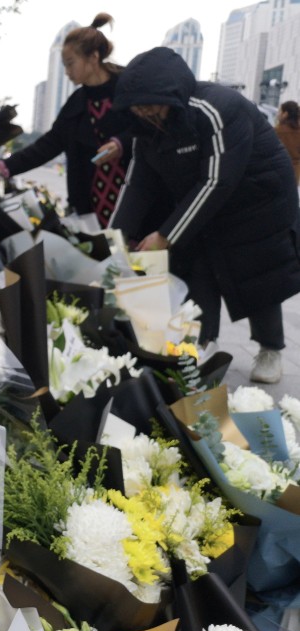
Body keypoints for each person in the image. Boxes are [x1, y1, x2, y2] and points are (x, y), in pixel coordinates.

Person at [109, 47, 300, 384]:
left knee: (258, 275)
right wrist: (112, 240)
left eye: (148, 102)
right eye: (136, 106)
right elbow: (138, 182)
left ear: (169, 93)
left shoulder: (216, 108)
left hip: (258, 201)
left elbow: (217, 179)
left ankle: (271, 349)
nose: (142, 111)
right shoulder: (146, 126)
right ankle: (202, 342)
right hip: (208, 200)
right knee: (197, 266)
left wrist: (165, 234)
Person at [0, 13, 132, 228]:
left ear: (93, 58)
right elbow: (48, 145)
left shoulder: (130, 88)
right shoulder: (77, 104)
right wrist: (3, 166)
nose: (67, 72)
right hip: (89, 208)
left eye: (70, 64)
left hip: (133, 201)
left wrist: (121, 143)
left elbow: (149, 129)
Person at [275, 100, 300, 185]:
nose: (278, 114)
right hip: (295, 174)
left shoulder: (277, 132)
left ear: (285, 114)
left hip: (278, 171)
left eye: (280, 111)